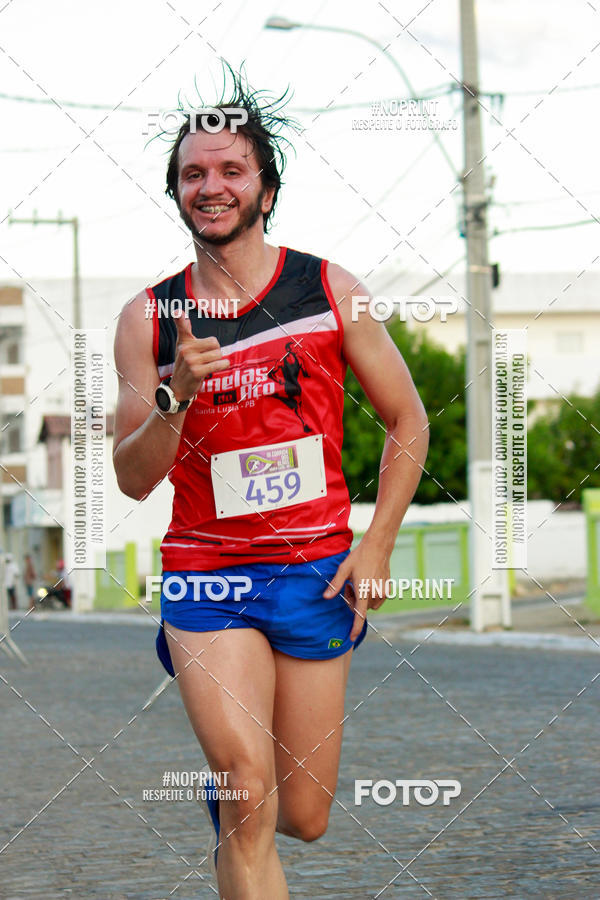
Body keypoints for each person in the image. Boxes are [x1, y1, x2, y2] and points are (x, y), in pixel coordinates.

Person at [113, 73, 429, 899]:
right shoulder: (150, 318)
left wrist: (379, 542)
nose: (210, 186)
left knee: (304, 814)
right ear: (177, 193)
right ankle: (235, 790)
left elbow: (409, 419)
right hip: (205, 574)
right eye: (193, 174)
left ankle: (238, 808)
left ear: (266, 188)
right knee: (248, 782)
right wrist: (175, 394)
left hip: (314, 570)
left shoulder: (331, 291)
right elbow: (131, 477)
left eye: (230, 170)